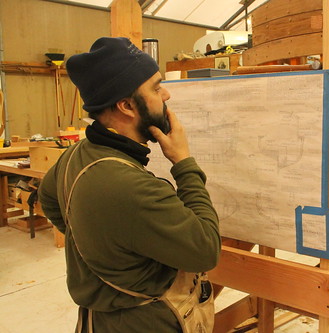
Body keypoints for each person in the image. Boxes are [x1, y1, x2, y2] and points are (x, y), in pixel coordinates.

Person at [38, 37, 221, 333]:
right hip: (144, 322)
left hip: (99, 320)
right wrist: (183, 162)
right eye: (156, 87)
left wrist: (102, 247)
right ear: (126, 105)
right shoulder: (131, 186)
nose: (167, 95)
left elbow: (48, 199)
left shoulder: (75, 154)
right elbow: (206, 250)